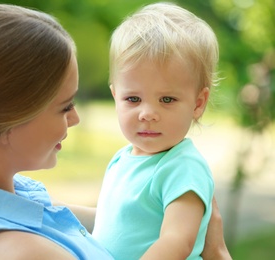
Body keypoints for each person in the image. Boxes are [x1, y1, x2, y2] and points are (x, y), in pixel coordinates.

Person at [0, 3, 230, 260]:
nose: (75, 119)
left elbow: (109, 217)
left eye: (167, 99)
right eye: (64, 106)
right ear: (9, 119)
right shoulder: (22, 251)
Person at [92, 2, 226, 260]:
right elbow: (112, 223)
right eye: (133, 99)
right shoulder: (123, 159)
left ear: (197, 104)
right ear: (115, 96)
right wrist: (55, 210)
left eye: (166, 100)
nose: (147, 113)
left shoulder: (182, 166)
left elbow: (177, 241)